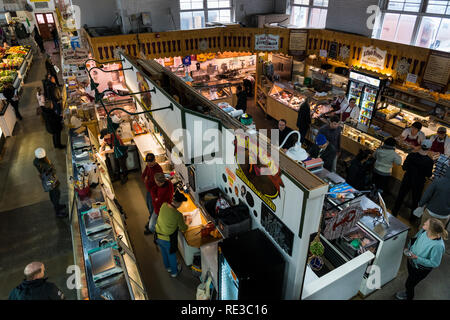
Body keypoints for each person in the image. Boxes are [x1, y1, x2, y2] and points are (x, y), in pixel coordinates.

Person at [396, 218, 447, 300]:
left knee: (409, 284)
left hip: (420, 269)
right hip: (411, 261)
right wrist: (408, 248)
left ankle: (409, 296)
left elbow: (435, 263)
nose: (424, 224)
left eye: (426, 224)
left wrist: (417, 258)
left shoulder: (438, 246)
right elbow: (414, 239)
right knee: (410, 277)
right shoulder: (423, 231)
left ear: (431, 229)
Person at [392, 140, 434, 220]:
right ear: (429, 148)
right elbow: (428, 174)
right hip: (419, 183)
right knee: (415, 201)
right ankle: (412, 218)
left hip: (407, 179)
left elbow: (404, 167)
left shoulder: (411, 155)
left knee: (400, 196)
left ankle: (394, 211)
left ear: (421, 146)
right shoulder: (429, 161)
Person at [155, 190, 192, 278]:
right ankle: (174, 272)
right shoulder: (177, 214)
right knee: (171, 255)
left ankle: (168, 268)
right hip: (167, 240)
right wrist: (187, 221)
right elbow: (184, 228)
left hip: (158, 236)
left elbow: (167, 218)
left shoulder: (164, 205)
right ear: (179, 204)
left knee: (164, 253)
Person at [33, 148, 67, 217]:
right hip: (50, 180)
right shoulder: (44, 163)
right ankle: (58, 212)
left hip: (47, 180)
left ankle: (57, 206)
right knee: (55, 194)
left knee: (52, 193)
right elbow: (53, 171)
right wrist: (51, 166)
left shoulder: (36, 161)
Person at [142, 153, 163, 235]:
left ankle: (152, 227)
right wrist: (145, 179)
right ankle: (151, 221)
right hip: (149, 191)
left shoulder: (158, 170)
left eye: (150, 162)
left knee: (153, 209)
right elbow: (143, 175)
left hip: (154, 193)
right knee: (149, 207)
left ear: (155, 160)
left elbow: (157, 184)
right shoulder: (148, 166)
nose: (149, 163)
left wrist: (147, 180)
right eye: (147, 162)